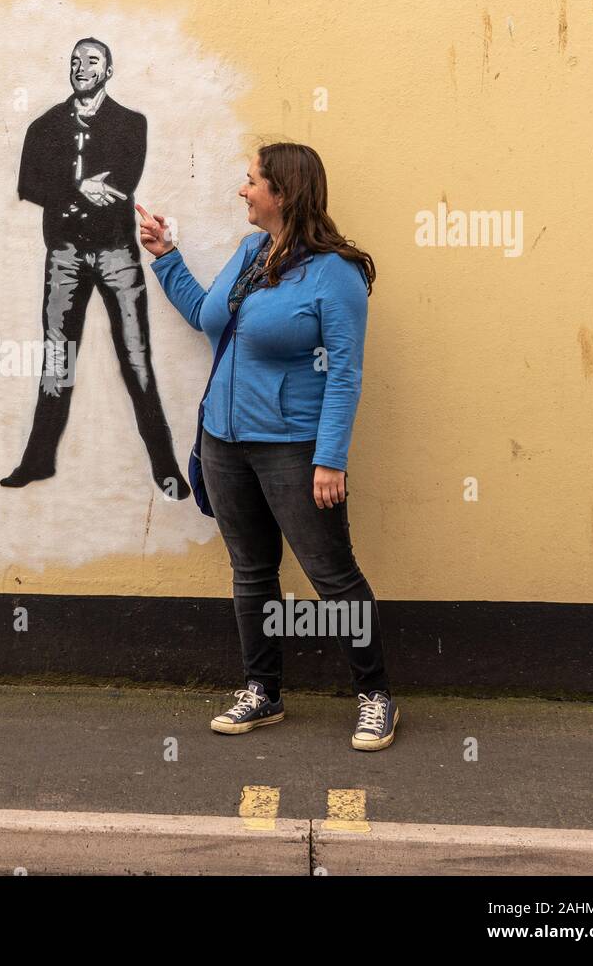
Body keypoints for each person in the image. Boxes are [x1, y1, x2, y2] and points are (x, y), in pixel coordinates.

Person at [137, 142, 399, 750]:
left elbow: (345, 373)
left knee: (333, 577)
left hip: (293, 448)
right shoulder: (252, 252)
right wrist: (167, 258)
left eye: (251, 181)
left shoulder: (337, 273)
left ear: (282, 193)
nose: (242, 191)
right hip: (224, 442)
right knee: (251, 572)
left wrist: (330, 458)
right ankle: (263, 690)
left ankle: (375, 695)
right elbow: (209, 315)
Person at [0, 38, 186, 497]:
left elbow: (124, 179)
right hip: (63, 253)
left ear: (109, 70)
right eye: (76, 61)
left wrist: (75, 188)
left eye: (92, 62)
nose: (82, 68)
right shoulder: (44, 127)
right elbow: (28, 183)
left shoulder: (130, 123)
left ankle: (165, 467)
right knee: (58, 359)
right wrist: (78, 187)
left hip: (117, 255)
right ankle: (39, 460)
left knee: (136, 359)